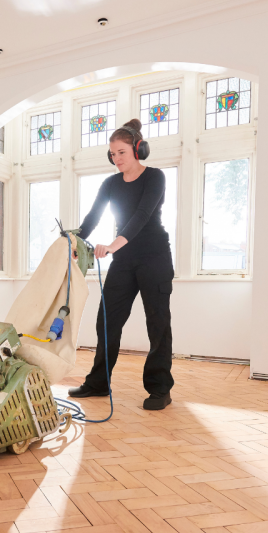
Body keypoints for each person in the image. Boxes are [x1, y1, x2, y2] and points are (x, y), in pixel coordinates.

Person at [69, 119, 174, 410]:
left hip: (154, 257)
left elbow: (141, 216)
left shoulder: (155, 177)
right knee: (107, 321)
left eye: (121, 152)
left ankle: (159, 389)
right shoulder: (110, 184)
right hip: (125, 261)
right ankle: (98, 383)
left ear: (138, 150)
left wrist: (113, 244)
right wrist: (71, 241)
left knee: (158, 324)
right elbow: (91, 219)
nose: (116, 159)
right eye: (112, 154)